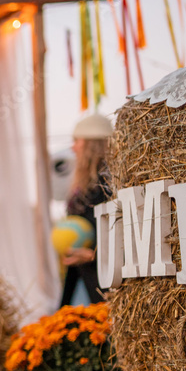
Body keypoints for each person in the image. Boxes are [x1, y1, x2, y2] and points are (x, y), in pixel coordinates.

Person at [59, 113, 112, 307]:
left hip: (105, 280)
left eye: (76, 141)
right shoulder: (87, 184)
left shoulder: (107, 184)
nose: (73, 148)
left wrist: (93, 253)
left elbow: (117, 230)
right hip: (86, 276)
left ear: (91, 145)